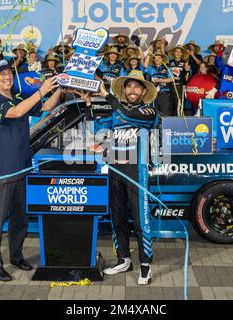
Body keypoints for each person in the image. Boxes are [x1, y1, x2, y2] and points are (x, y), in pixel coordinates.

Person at [0, 60, 62, 281]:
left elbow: (46, 107)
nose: (6, 77)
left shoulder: (18, 97)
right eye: (1, 74)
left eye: (9, 73)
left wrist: (59, 89)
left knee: (20, 219)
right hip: (1, 171)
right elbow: (16, 113)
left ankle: (16, 256)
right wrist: (41, 90)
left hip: (22, 169)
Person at [76, 72, 159, 285]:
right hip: (115, 172)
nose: (132, 90)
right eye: (128, 87)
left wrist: (104, 93)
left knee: (142, 222)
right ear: (124, 90)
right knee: (118, 218)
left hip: (137, 173)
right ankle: (124, 259)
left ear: (143, 92)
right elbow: (94, 132)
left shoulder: (149, 112)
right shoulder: (117, 114)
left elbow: (126, 113)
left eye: (137, 87)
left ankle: (145, 266)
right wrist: (87, 105)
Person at [167, 45, 190, 116]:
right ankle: (171, 122)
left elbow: (187, 78)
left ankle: (178, 122)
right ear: (174, 53)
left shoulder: (185, 63)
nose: (178, 53)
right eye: (176, 51)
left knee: (179, 105)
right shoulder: (169, 63)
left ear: (182, 54)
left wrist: (187, 71)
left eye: (180, 52)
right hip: (169, 85)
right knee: (170, 105)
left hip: (180, 86)